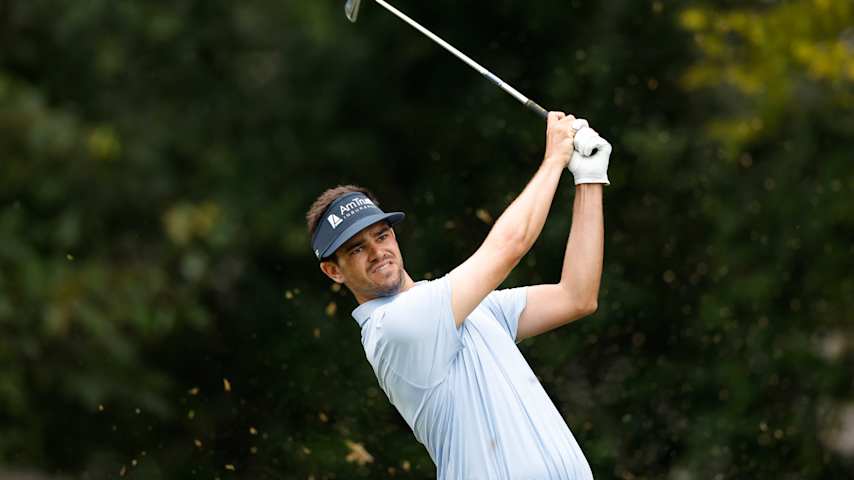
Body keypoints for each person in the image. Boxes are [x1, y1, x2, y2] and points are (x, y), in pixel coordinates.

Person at [305, 112, 610, 479]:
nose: (377, 252)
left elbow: (576, 296)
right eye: (356, 249)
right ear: (333, 271)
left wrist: (589, 177)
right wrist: (554, 159)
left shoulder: (465, 307)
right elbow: (509, 247)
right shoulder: (394, 327)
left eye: (382, 235)